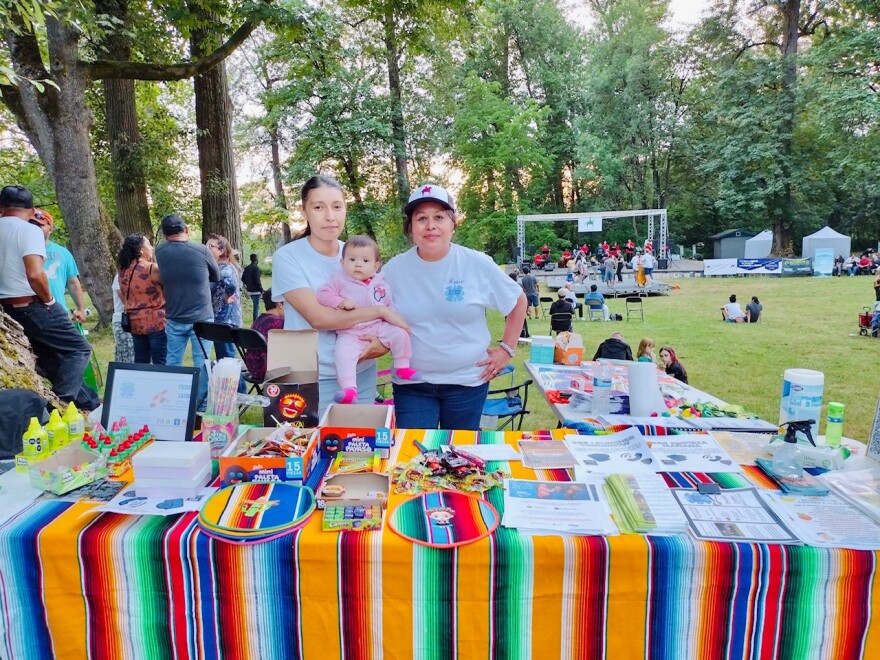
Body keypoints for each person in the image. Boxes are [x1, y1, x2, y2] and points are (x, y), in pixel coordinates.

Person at [382, 183, 527, 431]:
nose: (430, 226)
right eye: (421, 218)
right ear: (410, 228)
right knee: (414, 456)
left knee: (461, 456)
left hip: (467, 382)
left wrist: (506, 349)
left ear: (453, 224)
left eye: (439, 217)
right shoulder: (393, 270)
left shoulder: (476, 263)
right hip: (412, 384)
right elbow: (375, 313)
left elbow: (517, 301)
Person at [271, 175, 403, 415]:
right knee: (302, 446)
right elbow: (319, 318)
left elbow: (380, 299)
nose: (330, 216)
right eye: (318, 207)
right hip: (303, 372)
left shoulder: (357, 253)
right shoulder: (288, 257)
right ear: (304, 211)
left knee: (357, 446)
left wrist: (383, 343)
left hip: (358, 370)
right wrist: (378, 312)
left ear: (345, 209)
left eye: (337, 206)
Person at [0, 185, 98, 409]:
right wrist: (50, 301)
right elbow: (35, 274)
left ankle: (89, 403)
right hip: (31, 303)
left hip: (6, 311)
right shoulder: (29, 230)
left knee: (50, 358)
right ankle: (59, 406)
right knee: (78, 348)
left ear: (1, 208)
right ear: (31, 210)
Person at [317, 234, 419, 404]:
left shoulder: (381, 284)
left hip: (377, 326)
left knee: (400, 334)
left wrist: (395, 322)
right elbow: (323, 295)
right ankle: (349, 389)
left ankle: (402, 366)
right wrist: (340, 302)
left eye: (365, 261)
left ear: (376, 265)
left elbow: (388, 307)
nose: (358, 264)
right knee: (343, 353)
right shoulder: (339, 280)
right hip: (351, 331)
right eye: (352, 259)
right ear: (342, 263)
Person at [154, 214, 220, 407]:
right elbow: (215, 276)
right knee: (201, 363)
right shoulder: (201, 250)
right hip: (202, 318)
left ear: (165, 235)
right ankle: (199, 405)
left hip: (174, 316)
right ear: (187, 230)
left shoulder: (160, 251)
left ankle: (171, 402)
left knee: (173, 361)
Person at [30, 209, 87, 322]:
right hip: (31, 312)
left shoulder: (63, 253)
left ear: (50, 229)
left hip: (59, 312)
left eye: (40, 225)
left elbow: (72, 282)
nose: (35, 228)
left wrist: (81, 309)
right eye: (32, 225)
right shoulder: (21, 251)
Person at [118, 234, 167, 365]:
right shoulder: (152, 268)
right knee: (161, 362)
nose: (151, 247)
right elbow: (168, 289)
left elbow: (123, 294)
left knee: (141, 362)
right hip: (156, 322)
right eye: (148, 244)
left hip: (135, 323)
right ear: (141, 250)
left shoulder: (122, 270)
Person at [206, 233, 243, 360]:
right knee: (225, 358)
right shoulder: (224, 267)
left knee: (227, 360)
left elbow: (231, 285)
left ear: (221, 250)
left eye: (211, 246)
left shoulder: (224, 269)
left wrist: (227, 297)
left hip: (225, 321)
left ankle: (237, 381)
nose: (207, 248)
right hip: (225, 320)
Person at [243, 289, 285, 382]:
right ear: (279, 305)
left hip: (253, 368)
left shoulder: (258, 320)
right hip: (267, 370)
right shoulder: (278, 323)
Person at [111, 274, 135, 363]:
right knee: (127, 357)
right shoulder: (119, 277)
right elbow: (127, 302)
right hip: (124, 321)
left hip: (140, 321)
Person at [241, 253, 264, 324]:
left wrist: (248, 284)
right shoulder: (256, 268)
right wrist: (261, 290)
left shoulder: (247, 268)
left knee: (255, 306)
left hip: (249, 290)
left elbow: (242, 279)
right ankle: (256, 322)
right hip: (256, 291)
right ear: (256, 259)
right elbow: (257, 280)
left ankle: (256, 320)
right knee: (256, 307)